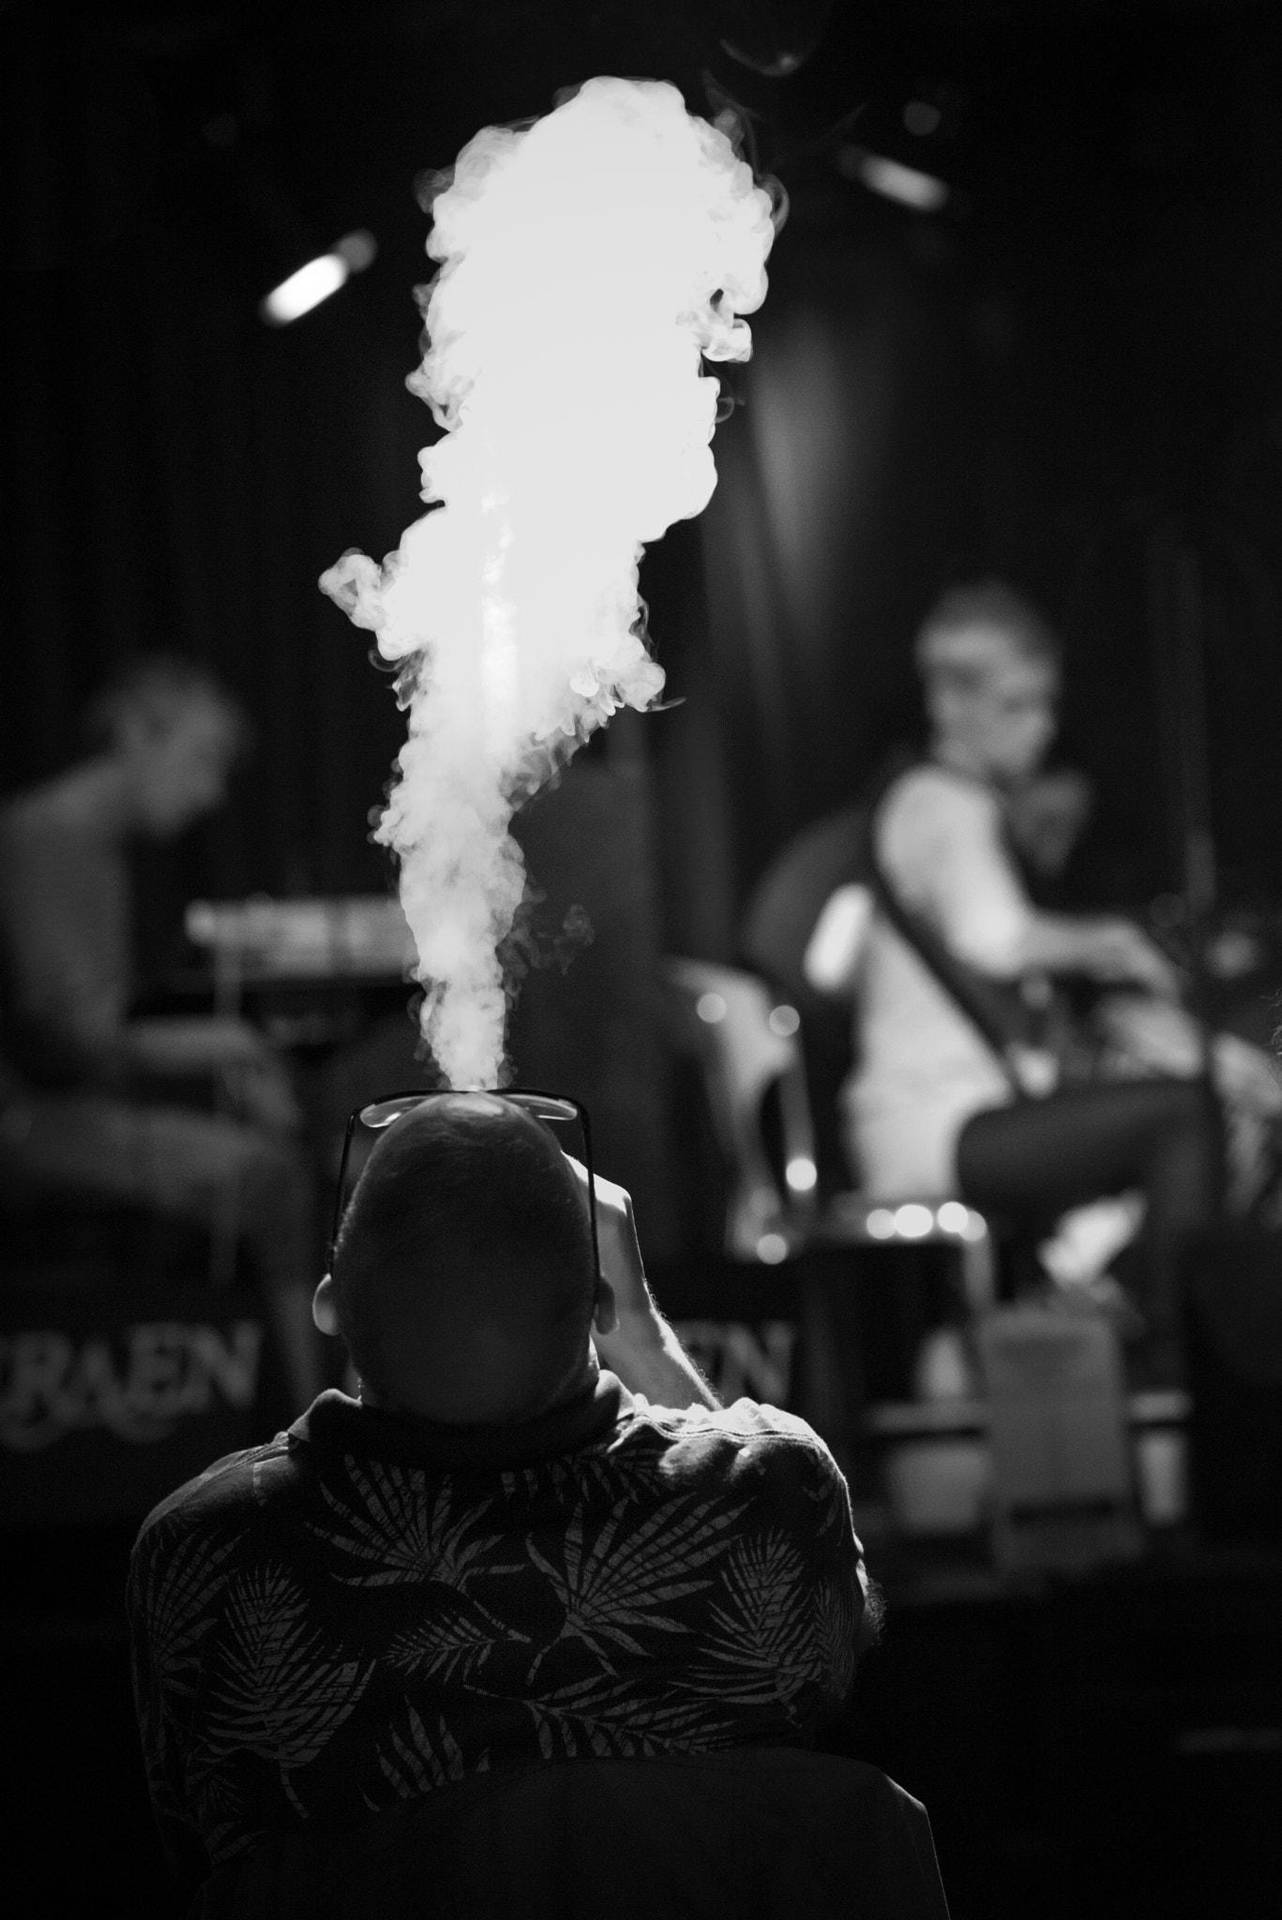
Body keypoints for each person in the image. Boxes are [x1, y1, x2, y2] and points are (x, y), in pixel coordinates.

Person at [127, 1091, 879, 1909]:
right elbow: (850, 1643)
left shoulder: (206, 1558)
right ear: (599, 1298)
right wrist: (646, 1342)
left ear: (331, 1302)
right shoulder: (768, 1501)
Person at [805, 580, 1235, 1378]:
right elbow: (995, 938)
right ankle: (1176, 1374)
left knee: (1175, 1117)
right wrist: (1116, 941)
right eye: (1015, 707)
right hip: (933, 1125)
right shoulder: (943, 803)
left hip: (962, 1115)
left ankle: (1105, 1329)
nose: (1040, 729)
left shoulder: (943, 804)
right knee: (1184, 1117)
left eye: (1044, 705)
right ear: (949, 702)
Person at [0, 654, 324, 1409]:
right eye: (202, 760)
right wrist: (239, 1045)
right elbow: (84, 1039)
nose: (210, 794)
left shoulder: (81, 841)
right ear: (139, 733)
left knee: (272, 1153)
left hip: (50, 1106)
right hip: (22, 1125)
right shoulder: (50, 837)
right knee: (270, 1178)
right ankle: (311, 1424)